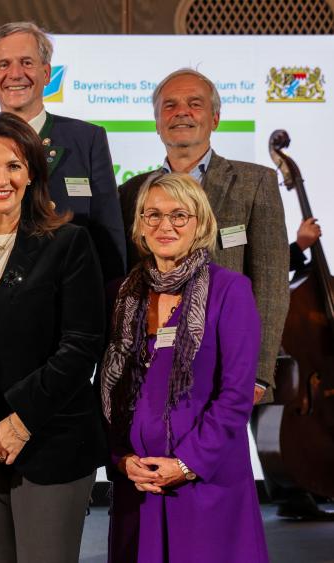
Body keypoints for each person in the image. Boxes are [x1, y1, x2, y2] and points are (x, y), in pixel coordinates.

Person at [0, 112, 107, 563]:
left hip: (49, 439)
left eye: (14, 166)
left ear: (32, 173)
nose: (2, 179)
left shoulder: (69, 242)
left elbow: (82, 345)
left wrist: (21, 420)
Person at [102, 172, 268, 563]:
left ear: (201, 224)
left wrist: (186, 463)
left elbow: (235, 393)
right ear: (140, 226)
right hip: (138, 484)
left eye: (179, 215)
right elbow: (107, 387)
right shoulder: (122, 294)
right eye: (152, 215)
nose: (165, 226)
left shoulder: (230, 290)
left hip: (206, 481)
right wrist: (121, 459)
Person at [118, 68, 289, 404]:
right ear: (156, 122)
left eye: (194, 104)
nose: (181, 112)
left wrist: (258, 374)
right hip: (149, 367)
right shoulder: (131, 192)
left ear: (215, 118)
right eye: (169, 106)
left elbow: (271, 285)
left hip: (228, 369)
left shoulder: (256, 183)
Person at [0, 21, 125, 283]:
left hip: (70, 300)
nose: (15, 74)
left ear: (47, 73)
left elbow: (109, 237)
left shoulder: (88, 140)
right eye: (4, 64)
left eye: (27, 62)